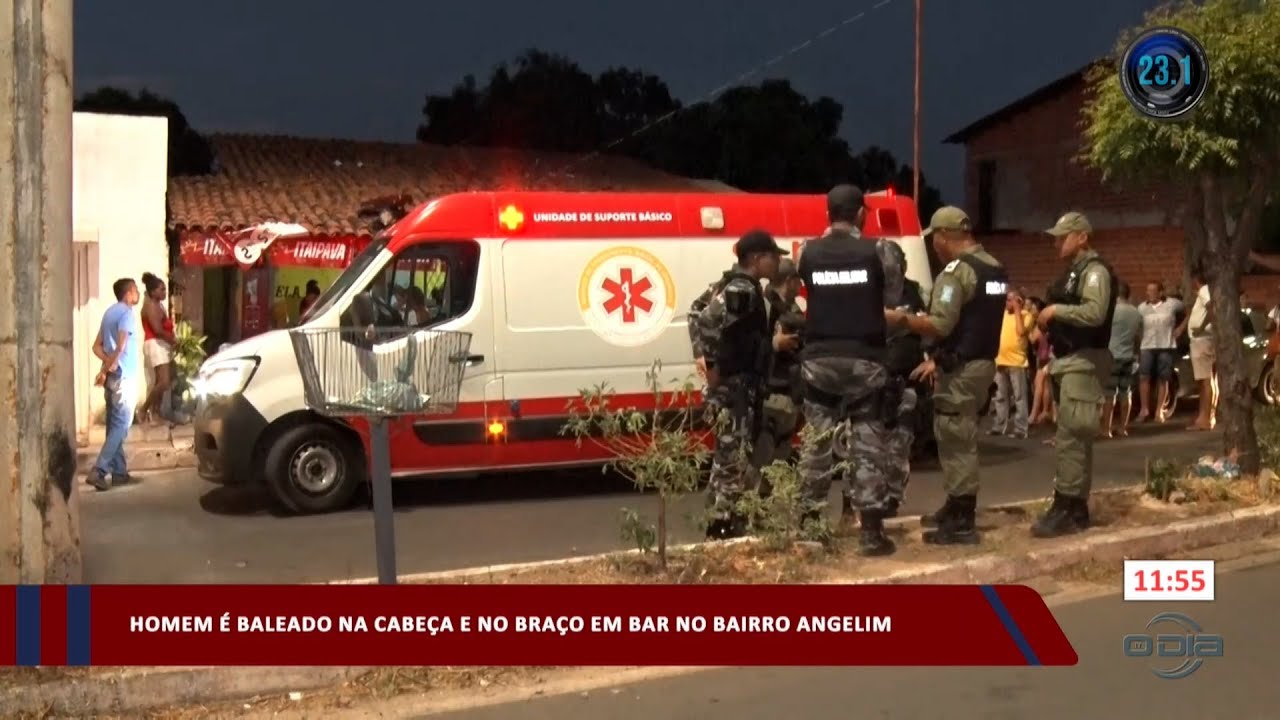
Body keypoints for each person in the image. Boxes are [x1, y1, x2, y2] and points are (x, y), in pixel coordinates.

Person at [886, 206, 1006, 546]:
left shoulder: (956, 273)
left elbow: (941, 323)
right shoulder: (993, 267)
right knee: (959, 436)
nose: (933, 247)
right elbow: (973, 323)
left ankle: (962, 521)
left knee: (956, 440)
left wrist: (901, 319)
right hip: (979, 363)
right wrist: (938, 361)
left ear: (942, 236)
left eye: (934, 239)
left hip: (964, 369)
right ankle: (955, 506)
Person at [798, 184, 906, 557]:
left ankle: (809, 529)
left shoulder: (807, 252)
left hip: (819, 360)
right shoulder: (880, 250)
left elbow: (808, 286)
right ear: (861, 213)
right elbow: (891, 299)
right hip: (865, 359)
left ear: (828, 213)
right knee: (868, 444)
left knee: (817, 442)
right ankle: (871, 534)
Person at [697, 230, 784, 540]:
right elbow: (705, 321)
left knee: (727, 456)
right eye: (774, 257)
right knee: (731, 459)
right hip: (734, 389)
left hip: (737, 386)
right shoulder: (740, 290)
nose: (777, 263)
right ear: (758, 259)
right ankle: (721, 526)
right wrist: (711, 366)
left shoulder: (731, 285)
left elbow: (696, 312)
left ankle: (718, 519)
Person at [1033, 211, 1116, 538]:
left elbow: (1095, 313)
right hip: (1071, 360)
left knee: (1070, 438)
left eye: (1063, 235)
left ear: (1082, 236)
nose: (1057, 241)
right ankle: (1075, 508)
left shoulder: (1094, 272)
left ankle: (1066, 506)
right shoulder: (1076, 271)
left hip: (1084, 360)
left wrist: (1056, 311)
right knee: (1075, 437)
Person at [878, 240, 925, 520]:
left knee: (899, 445)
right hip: (874, 380)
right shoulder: (870, 293)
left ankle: (892, 499)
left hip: (903, 382)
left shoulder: (913, 293)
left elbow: (921, 330)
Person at [88, 278, 143, 491]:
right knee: (122, 425)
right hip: (124, 375)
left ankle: (119, 472)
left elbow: (96, 347)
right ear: (129, 292)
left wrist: (106, 364)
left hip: (112, 376)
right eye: (136, 290)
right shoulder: (127, 314)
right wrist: (113, 363)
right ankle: (99, 470)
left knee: (113, 425)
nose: (137, 293)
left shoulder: (109, 313)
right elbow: (122, 345)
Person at [752, 258, 805, 473]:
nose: (801, 287)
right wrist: (775, 344)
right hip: (769, 391)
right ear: (790, 281)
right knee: (761, 455)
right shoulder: (763, 305)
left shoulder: (791, 308)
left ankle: (769, 503)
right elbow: (749, 344)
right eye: (798, 281)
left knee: (780, 458)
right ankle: (750, 504)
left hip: (788, 392)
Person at [987, 288, 1035, 439]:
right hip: (1000, 360)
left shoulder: (1027, 316)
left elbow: (1021, 331)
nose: (1007, 303)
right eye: (1007, 300)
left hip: (1017, 362)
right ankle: (999, 425)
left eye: (1010, 300)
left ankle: (1021, 429)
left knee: (1019, 396)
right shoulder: (1002, 315)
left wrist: (1018, 310)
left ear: (1019, 300)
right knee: (1000, 396)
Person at [1136, 281, 1182, 422]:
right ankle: (1144, 409)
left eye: (1152, 290)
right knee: (1144, 377)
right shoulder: (1142, 308)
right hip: (1147, 346)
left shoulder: (1172, 304)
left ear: (1160, 292)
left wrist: (1181, 328)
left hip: (1165, 345)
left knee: (1164, 378)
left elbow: (1188, 310)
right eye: (1148, 290)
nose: (1149, 293)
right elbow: (1137, 324)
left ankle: (1159, 410)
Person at [1102, 281, 1143, 438]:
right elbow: (1138, 336)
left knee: (1109, 394)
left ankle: (1106, 429)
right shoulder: (1136, 312)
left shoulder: (1111, 312)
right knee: (1126, 393)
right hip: (1128, 356)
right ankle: (1123, 427)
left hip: (1112, 355)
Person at [1177, 269, 1217, 431]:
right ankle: (1205, 415)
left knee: (1205, 380)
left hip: (1202, 340)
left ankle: (1205, 418)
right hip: (1201, 340)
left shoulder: (1204, 291)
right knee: (1205, 380)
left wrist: (1200, 327)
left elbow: (1211, 308)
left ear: (1195, 279)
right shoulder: (1202, 293)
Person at [139, 272, 176, 426]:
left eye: (165, 289)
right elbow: (157, 329)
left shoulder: (158, 305)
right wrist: (173, 340)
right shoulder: (151, 306)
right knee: (163, 382)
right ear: (153, 291)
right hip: (155, 344)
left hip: (161, 344)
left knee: (163, 381)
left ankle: (156, 414)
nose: (164, 292)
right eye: (161, 290)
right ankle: (144, 409)